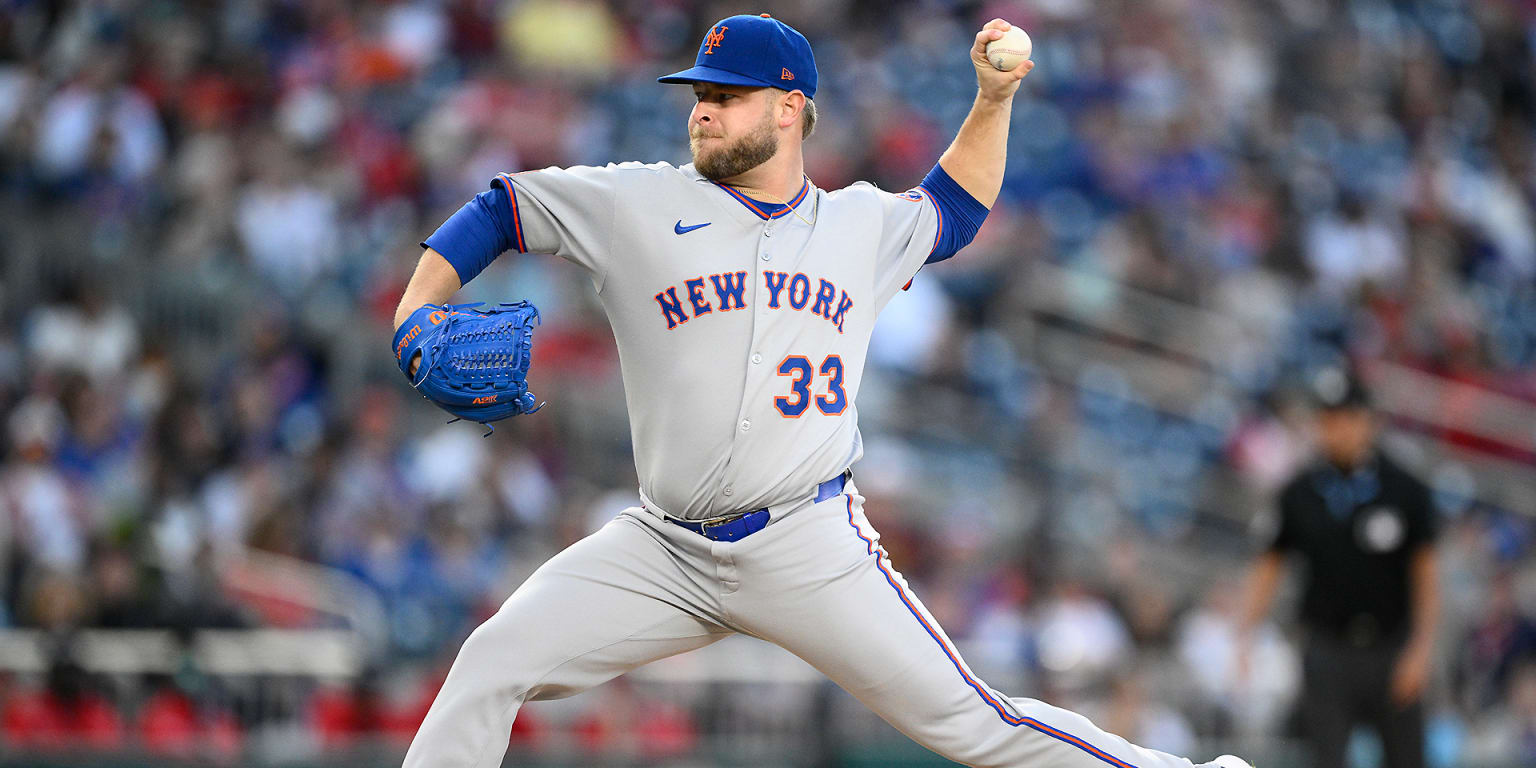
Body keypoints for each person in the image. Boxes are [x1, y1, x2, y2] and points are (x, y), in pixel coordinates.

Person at [393, 14, 1250, 768]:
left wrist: (992, 102)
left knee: (974, 724)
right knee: (491, 662)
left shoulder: (858, 223)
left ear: (789, 108)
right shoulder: (637, 202)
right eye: (699, 94)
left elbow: (954, 210)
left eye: (727, 95)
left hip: (806, 543)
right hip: (663, 548)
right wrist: (417, 306)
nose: (702, 110)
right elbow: (504, 208)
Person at [1237, 367, 1440, 768]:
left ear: (1369, 421)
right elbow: (1269, 565)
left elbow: (1426, 575)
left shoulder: (1405, 490)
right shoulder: (1300, 492)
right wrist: (1245, 636)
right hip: (1327, 648)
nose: (1336, 429)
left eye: (1346, 418)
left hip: (1391, 645)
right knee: (1326, 758)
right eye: (1327, 419)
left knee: (1406, 757)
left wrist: (1420, 649)